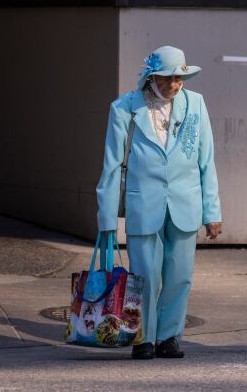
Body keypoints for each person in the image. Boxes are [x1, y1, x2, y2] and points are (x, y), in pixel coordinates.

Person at [96, 45, 222, 360]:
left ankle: (169, 337)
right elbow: (111, 166)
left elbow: (207, 161)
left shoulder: (196, 104)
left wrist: (213, 212)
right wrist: (107, 218)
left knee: (181, 275)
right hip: (143, 204)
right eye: (167, 78)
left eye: (179, 78)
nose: (175, 85)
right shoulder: (125, 107)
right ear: (151, 77)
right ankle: (143, 338)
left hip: (186, 202)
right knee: (144, 276)